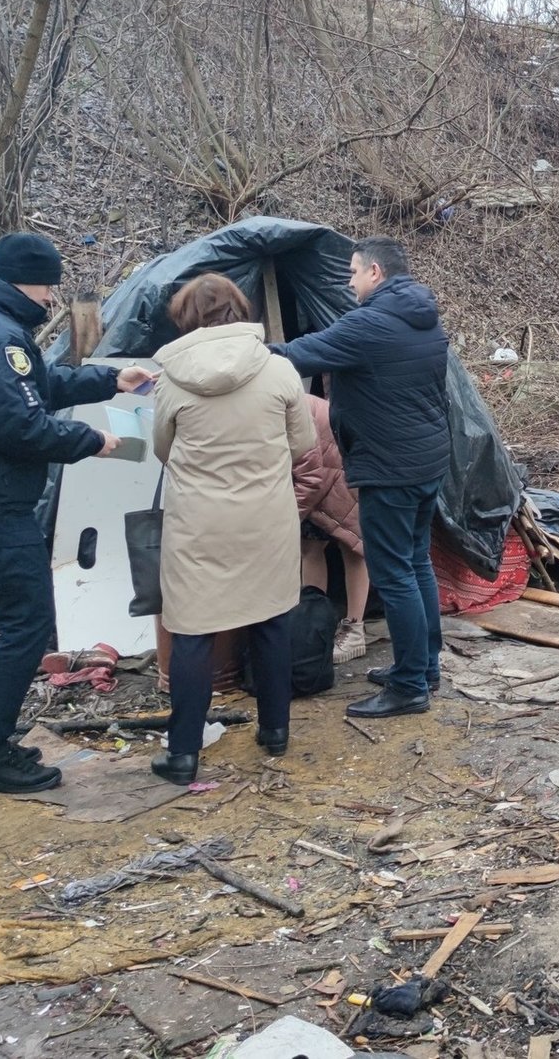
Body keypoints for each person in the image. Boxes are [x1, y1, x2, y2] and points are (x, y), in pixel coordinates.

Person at [0, 233, 154, 794]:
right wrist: (89, 440)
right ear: (30, 280)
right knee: (28, 622)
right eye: (49, 286)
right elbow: (20, 426)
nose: (51, 298)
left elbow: (31, 386)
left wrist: (110, 378)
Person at [271, 237, 450, 718]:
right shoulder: (423, 315)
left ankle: (410, 686)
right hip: (425, 460)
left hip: (390, 467)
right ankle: (423, 667)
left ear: (375, 272)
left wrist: (235, 353)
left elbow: (297, 354)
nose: (348, 282)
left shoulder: (371, 323)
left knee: (394, 575)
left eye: (352, 272)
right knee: (415, 565)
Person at [149, 274, 315, 784]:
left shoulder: (171, 377)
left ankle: (182, 754)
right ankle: (276, 731)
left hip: (198, 524)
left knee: (193, 633)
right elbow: (303, 442)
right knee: (270, 620)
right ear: (240, 311)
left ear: (186, 317)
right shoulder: (279, 369)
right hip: (266, 518)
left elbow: (161, 448)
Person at [293, 392, 372, 661]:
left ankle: (354, 630)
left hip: (345, 468)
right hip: (324, 468)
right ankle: (315, 626)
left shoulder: (288, 406)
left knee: (353, 545)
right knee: (310, 547)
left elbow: (311, 477)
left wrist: (289, 518)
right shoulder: (278, 395)